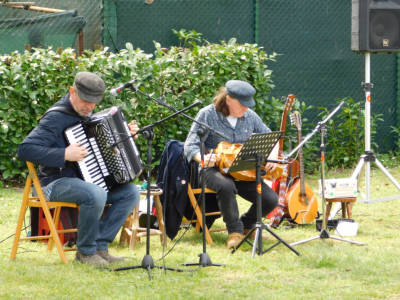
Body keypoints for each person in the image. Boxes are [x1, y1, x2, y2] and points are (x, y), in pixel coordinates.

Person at [18, 72, 140, 266]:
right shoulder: (56, 117)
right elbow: (25, 149)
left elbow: (101, 150)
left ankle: (100, 247)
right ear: (72, 91)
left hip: (85, 183)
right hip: (52, 183)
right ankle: (85, 252)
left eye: (94, 103)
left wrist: (125, 138)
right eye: (85, 101)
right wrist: (64, 154)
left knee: (131, 192)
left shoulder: (87, 114)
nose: (90, 107)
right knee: (96, 194)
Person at [184, 80, 279, 249]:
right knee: (226, 186)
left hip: (243, 171)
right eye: (242, 104)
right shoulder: (207, 114)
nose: (246, 108)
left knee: (270, 199)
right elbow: (189, 145)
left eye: (248, 105)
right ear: (228, 99)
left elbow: (271, 137)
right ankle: (234, 232)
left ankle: (246, 224)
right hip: (213, 169)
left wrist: (272, 155)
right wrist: (203, 159)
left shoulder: (250, 116)